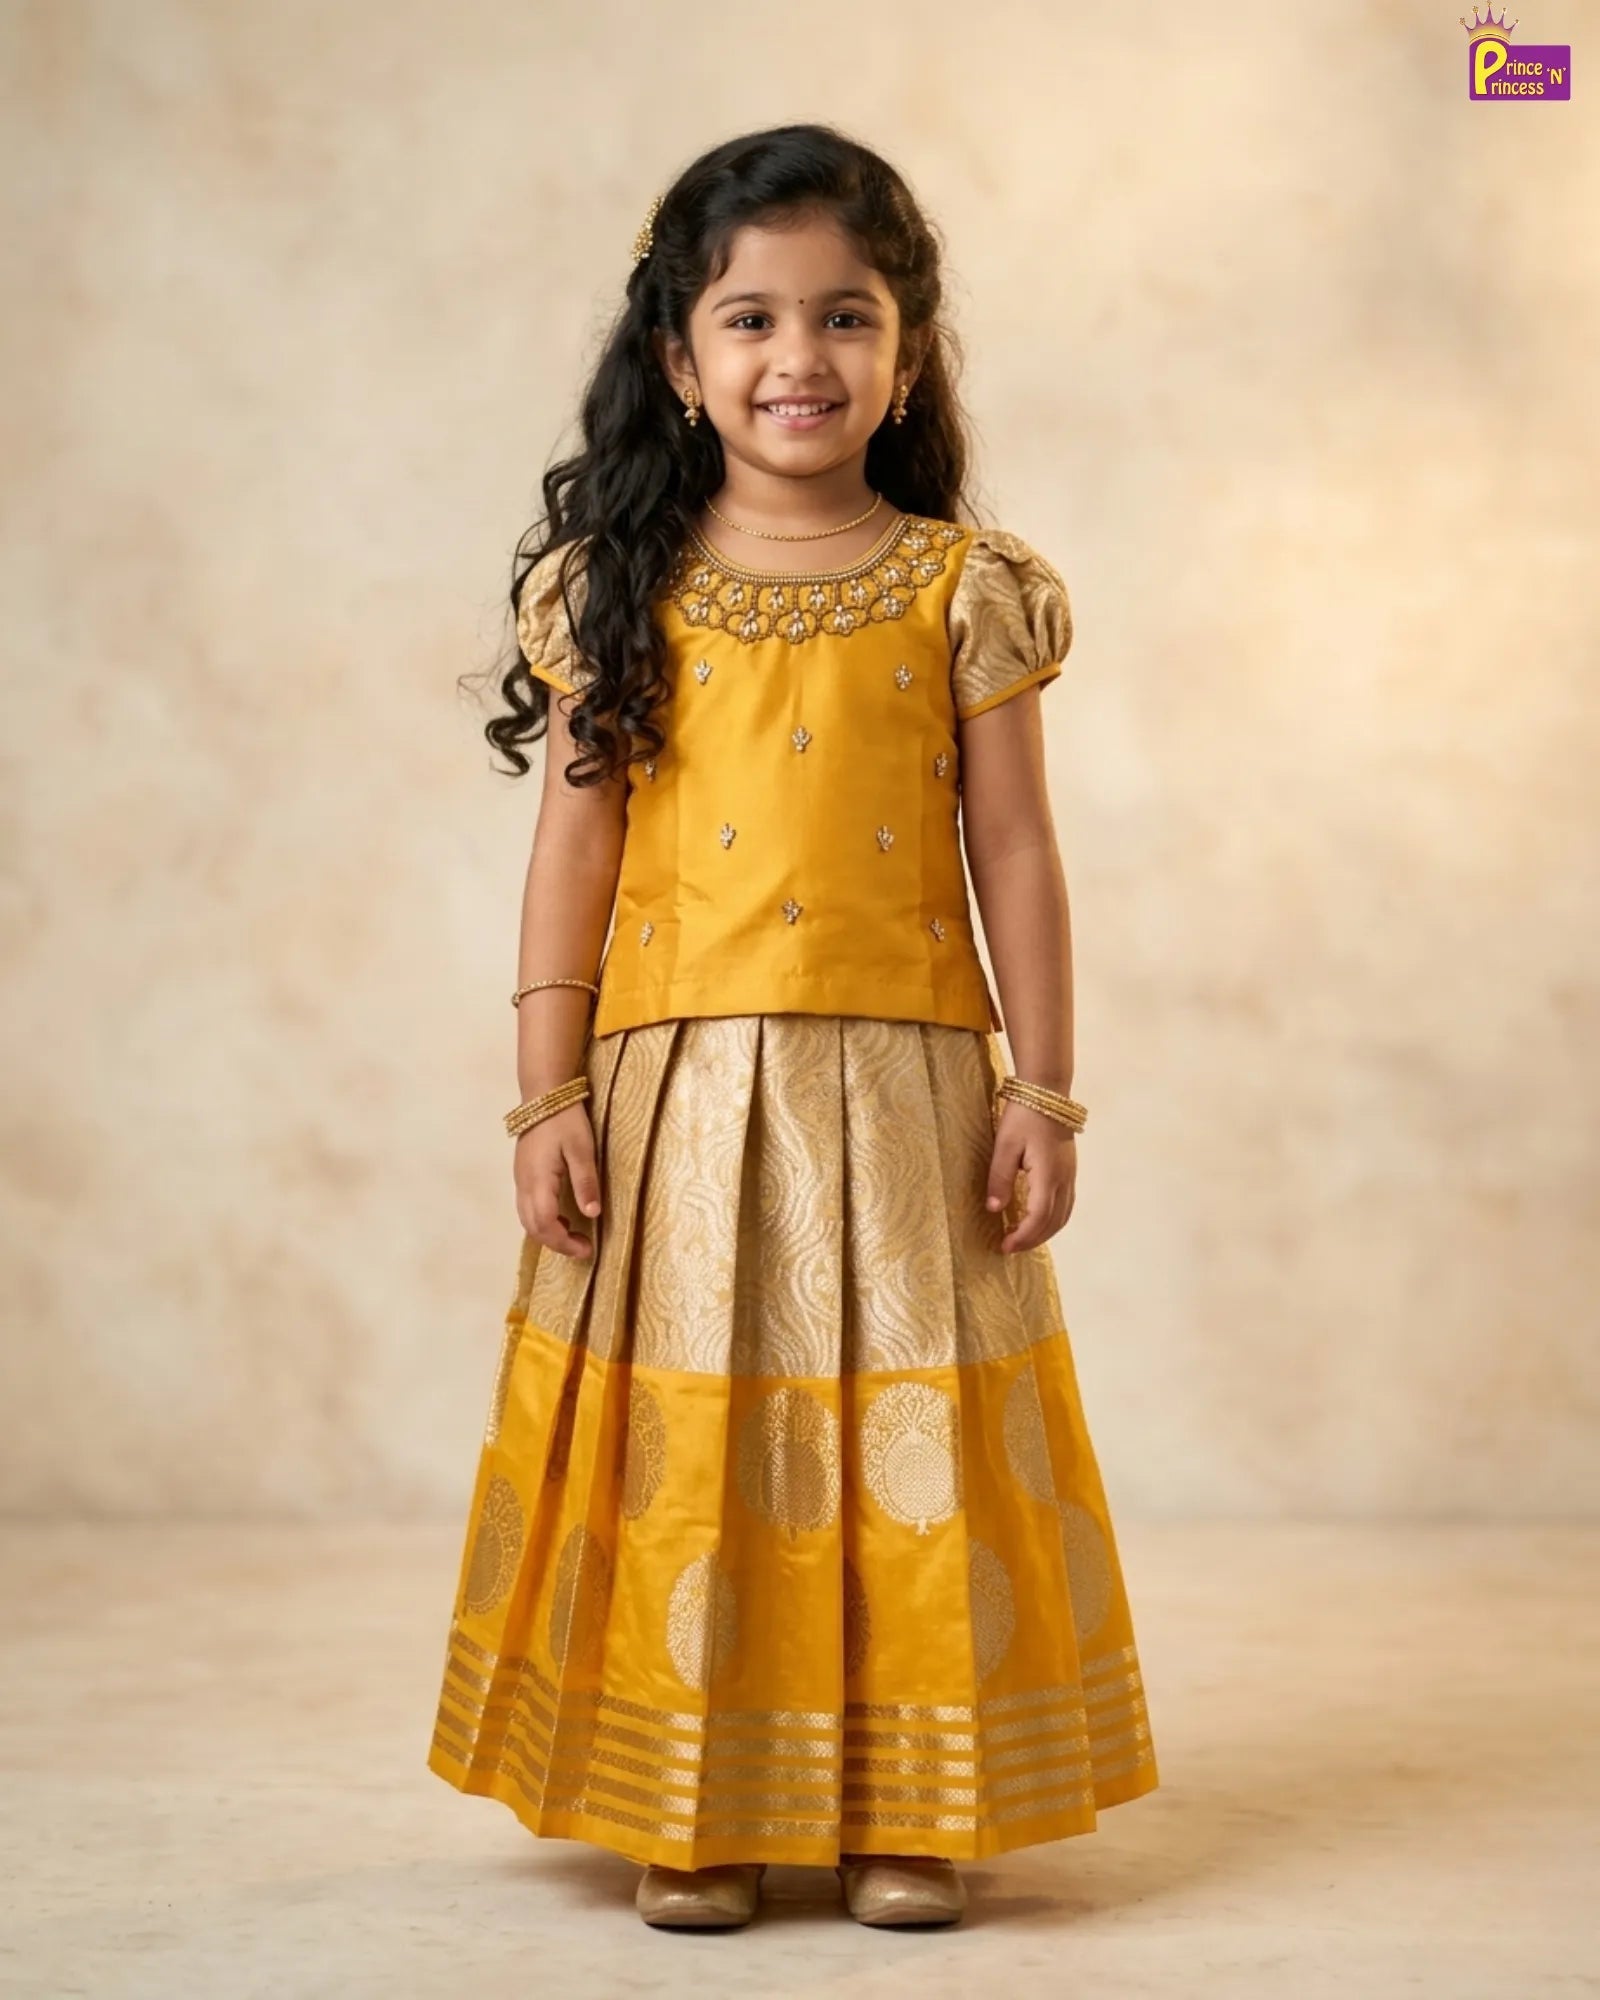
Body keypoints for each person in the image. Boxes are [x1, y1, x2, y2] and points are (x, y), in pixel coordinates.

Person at [428, 121, 1158, 1933]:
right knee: (699, 1441)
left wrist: (1047, 1091)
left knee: (904, 1439)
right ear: (680, 361)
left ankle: (911, 1803)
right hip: (679, 1091)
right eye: (750, 319)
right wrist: (542, 1099)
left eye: (846, 316)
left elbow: (1016, 849)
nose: (799, 357)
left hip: (909, 1091)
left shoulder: (964, 586)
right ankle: (694, 1804)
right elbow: (574, 849)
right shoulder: (619, 585)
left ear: (907, 352)